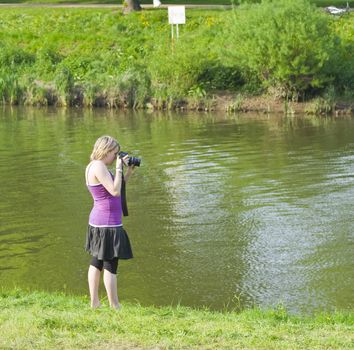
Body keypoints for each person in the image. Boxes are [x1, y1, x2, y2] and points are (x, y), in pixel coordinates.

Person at [85, 135, 134, 309]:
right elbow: (114, 191)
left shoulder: (97, 166)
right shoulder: (98, 166)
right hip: (107, 223)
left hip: (101, 221)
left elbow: (118, 188)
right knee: (110, 264)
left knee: (97, 261)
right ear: (106, 151)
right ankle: (115, 305)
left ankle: (95, 303)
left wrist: (128, 172)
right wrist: (120, 168)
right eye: (115, 153)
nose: (116, 157)